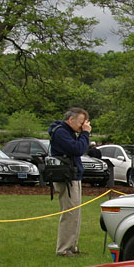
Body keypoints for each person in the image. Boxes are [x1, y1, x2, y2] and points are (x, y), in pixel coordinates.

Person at [48, 107, 91, 256]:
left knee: (75, 214)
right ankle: (63, 249)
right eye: (81, 122)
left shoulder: (69, 132)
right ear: (71, 119)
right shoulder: (61, 132)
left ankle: (72, 246)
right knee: (69, 213)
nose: (82, 126)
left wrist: (82, 133)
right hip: (66, 178)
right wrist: (85, 133)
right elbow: (78, 149)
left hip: (73, 176)